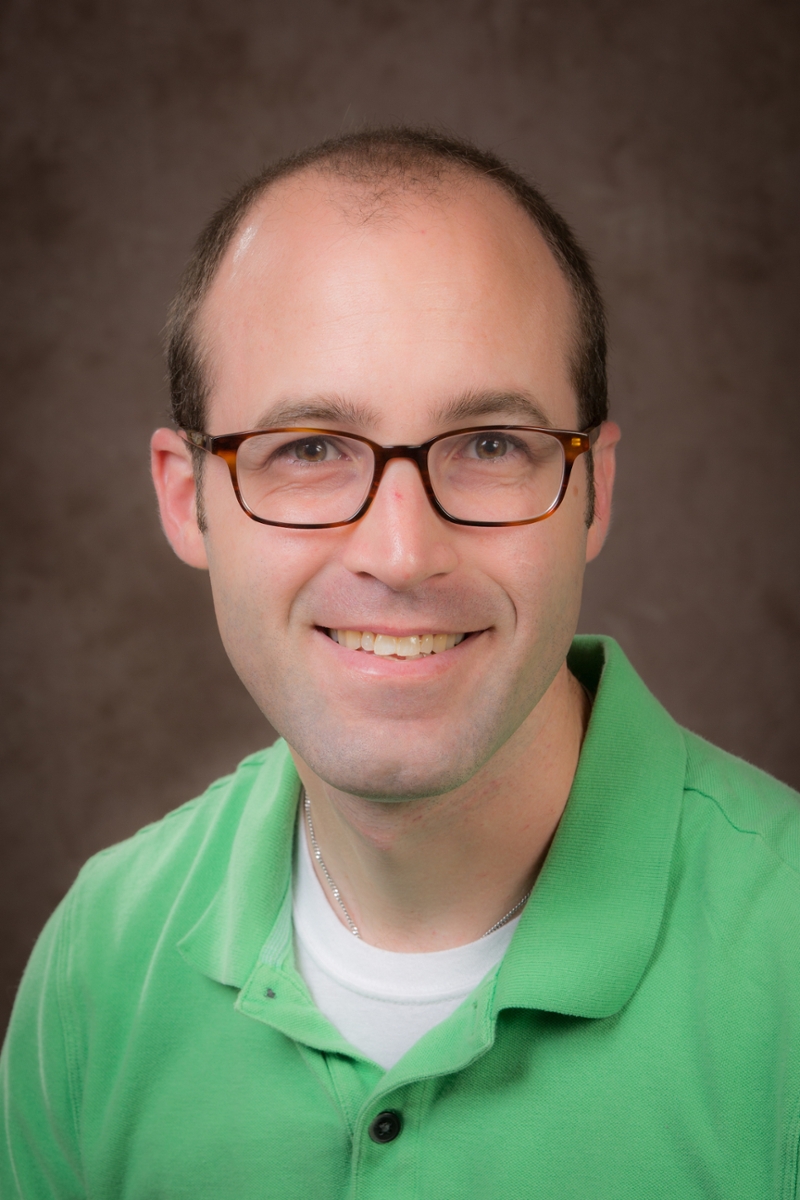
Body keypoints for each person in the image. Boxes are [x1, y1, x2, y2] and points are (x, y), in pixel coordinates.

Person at [1, 127, 799, 1200]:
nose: (399, 553)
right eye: (309, 449)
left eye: (487, 444)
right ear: (187, 500)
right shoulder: (102, 957)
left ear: (594, 493)